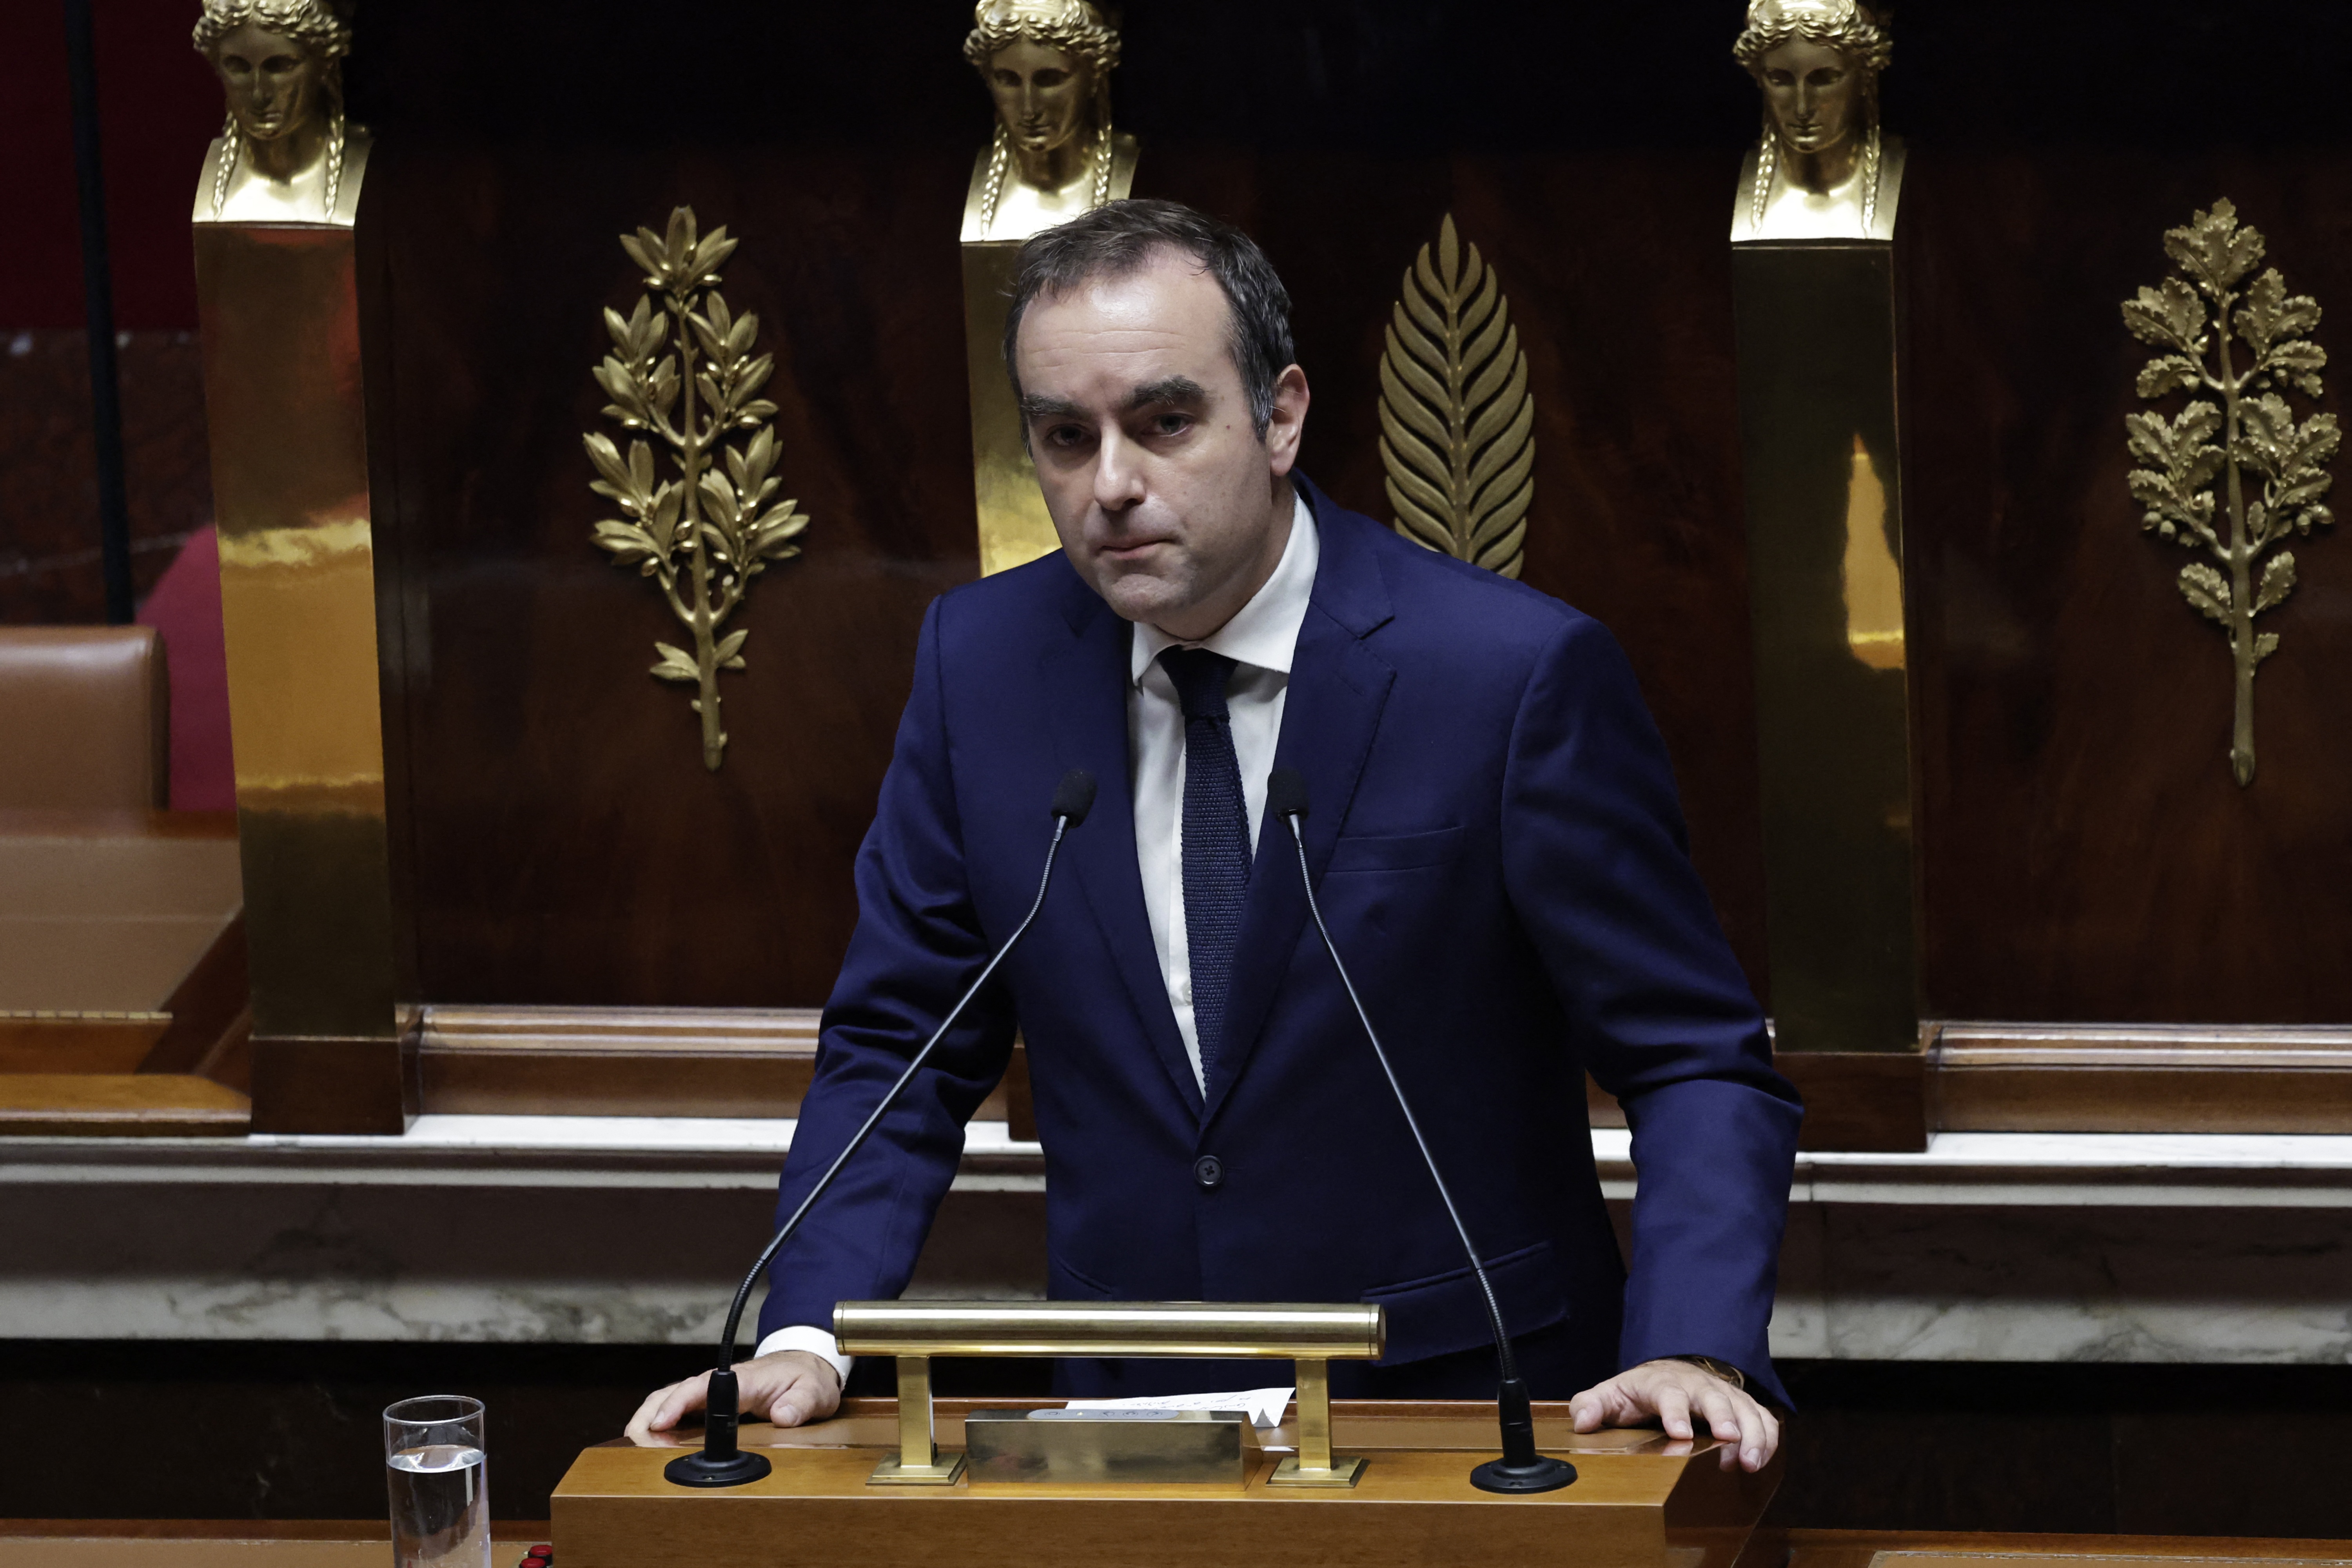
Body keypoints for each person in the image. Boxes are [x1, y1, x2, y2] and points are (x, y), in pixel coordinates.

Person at [631, 200, 1802, 1471]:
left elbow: (1695, 1055)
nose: (1113, 485)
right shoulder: (984, 670)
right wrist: (808, 1331)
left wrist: (1694, 1341)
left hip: (1460, 1411)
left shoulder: (1505, 676)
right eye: (1066, 440)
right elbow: (897, 1046)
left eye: (1165, 421)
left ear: (1282, 414)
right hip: (1131, 1423)